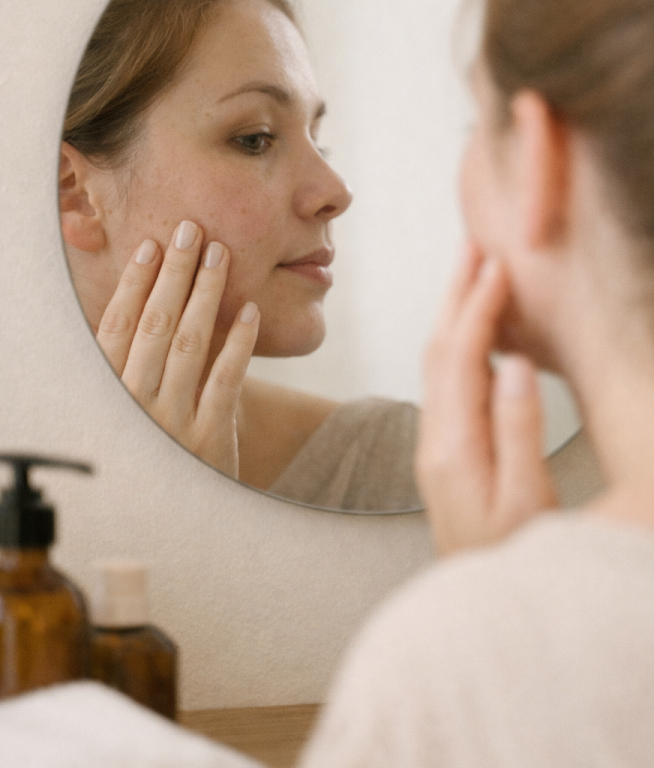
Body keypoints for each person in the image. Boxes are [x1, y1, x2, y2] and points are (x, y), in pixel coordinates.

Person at [298, 0, 654, 763]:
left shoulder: (446, 677)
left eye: (474, 132)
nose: (331, 192)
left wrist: (503, 631)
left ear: (544, 163)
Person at [59, 0, 602, 511]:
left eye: (320, 139)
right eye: (256, 138)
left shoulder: (395, 468)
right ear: (76, 192)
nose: (335, 190)